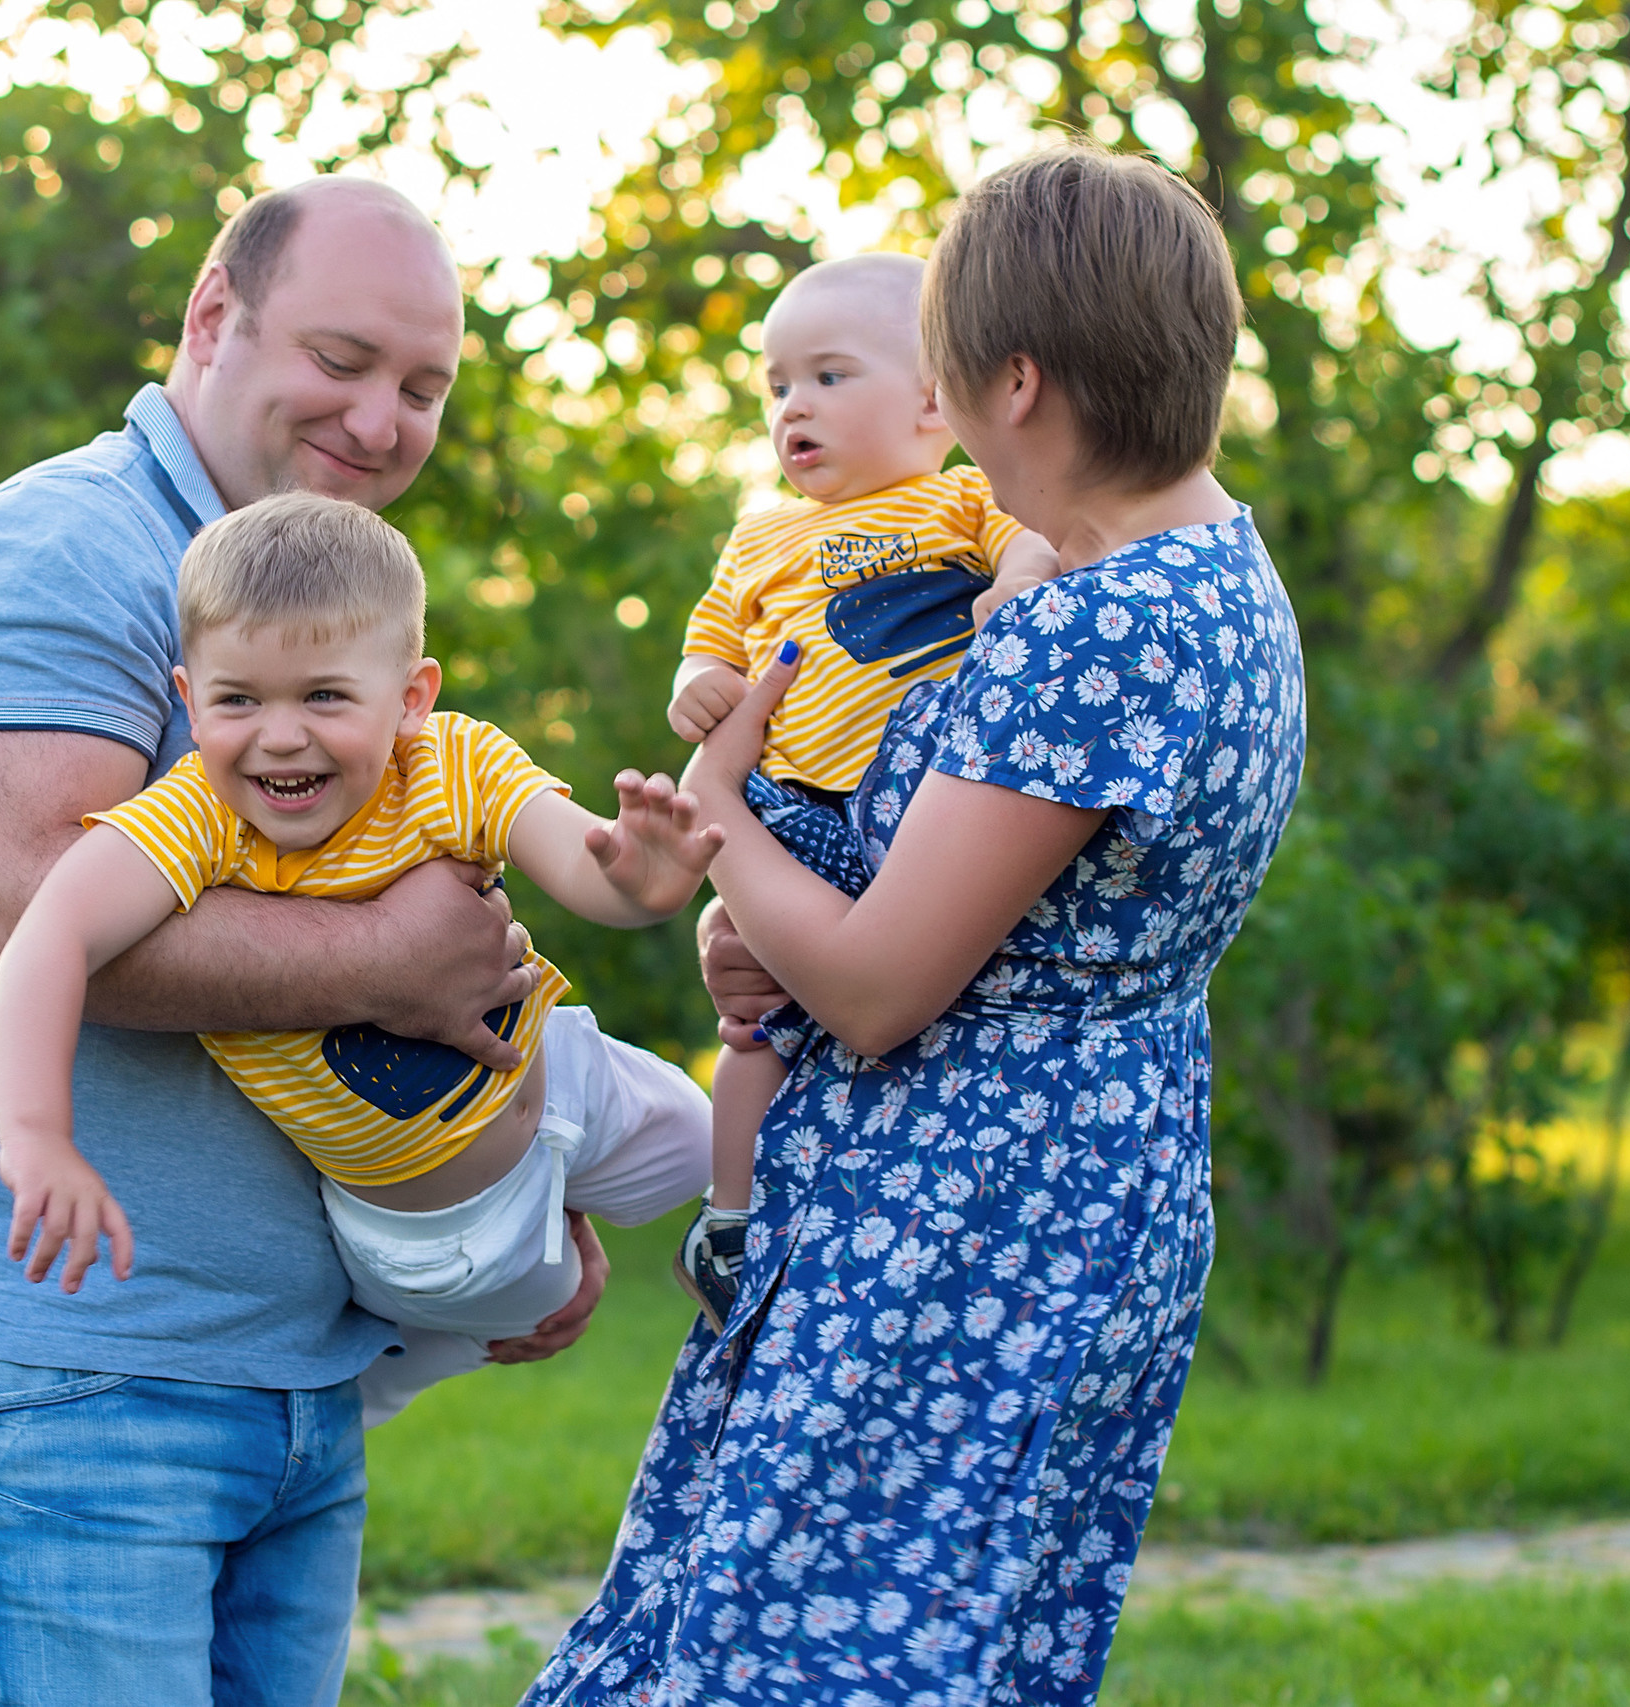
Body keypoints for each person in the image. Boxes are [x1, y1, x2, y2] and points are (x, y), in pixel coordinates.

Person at [526, 145, 1306, 1706]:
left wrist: (725, 817)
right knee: (953, 1632)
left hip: (958, 1216)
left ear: (1015, 382)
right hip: (1099, 1178)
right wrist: (767, 929)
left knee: (804, 1642)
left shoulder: (1096, 629)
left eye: (950, 383)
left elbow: (882, 985)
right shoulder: (1224, 578)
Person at [0, 177, 612, 1707]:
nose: (383, 419)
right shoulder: (68, 550)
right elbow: (11, 904)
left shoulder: (302, 605)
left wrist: (499, 1211)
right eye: (344, 358)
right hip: (69, 1365)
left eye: (424, 385)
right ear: (211, 319)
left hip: (286, 1371)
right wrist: (392, 958)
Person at [0, 491, 715, 1428]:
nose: (280, 734)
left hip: (564, 1076)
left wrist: (646, 883)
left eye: (325, 694)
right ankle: (398, 1357)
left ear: (411, 698)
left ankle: (772, 1278)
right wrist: (38, 1134)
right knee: (545, 1295)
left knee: (716, 1139)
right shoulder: (197, 814)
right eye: (238, 699)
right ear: (188, 701)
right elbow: (49, 934)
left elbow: (588, 867)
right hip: (441, 1215)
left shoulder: (456, 760)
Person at [663, 254, 1060, 1333]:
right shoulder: (759, 537)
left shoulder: (959, 497)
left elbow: (1025, 543)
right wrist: (700, 690)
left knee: (833, 997)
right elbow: (708, 645)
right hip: (795, 802)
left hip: (922, 814)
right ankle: (729, 1216)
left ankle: (782, 1200)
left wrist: (1018, 580)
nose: (794, 406)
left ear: (934, 399)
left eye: (830, 377)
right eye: (777, 386)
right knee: (755, 1025)